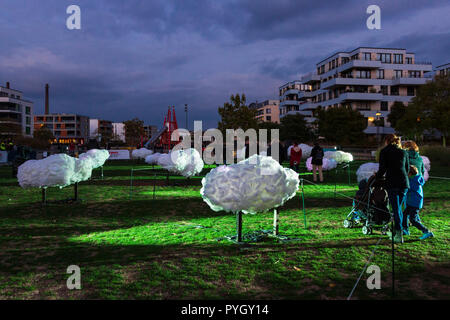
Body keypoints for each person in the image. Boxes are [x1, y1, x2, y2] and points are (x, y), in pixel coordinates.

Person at [376, 134, 409, 243]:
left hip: (392, 182)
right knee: (398, 208)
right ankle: (399, 230)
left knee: (396, 209)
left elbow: (382, 169)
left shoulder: (385, 151)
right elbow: (407, 168)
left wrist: (376, 177)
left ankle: (399, 234)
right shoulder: (403, 152)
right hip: (404, 183)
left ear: (386, 141)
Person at [402, 165, 434, 240]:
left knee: (413, 220)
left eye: (407, 173)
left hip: (415, 203)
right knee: (405, 214)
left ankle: (427, 232)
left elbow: (408, 188)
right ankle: (405, 230)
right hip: (412, 202)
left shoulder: (414, 181)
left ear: (410, 173)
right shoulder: (414, 178)